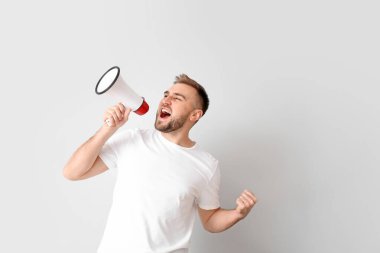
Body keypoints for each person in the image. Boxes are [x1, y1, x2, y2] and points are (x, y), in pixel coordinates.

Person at [63, 74, 257, 253]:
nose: (166, 100)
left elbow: (210, 219)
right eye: (166, 94)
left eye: (177, 98)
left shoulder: (207, 165)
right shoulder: (133, 139)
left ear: (195, 115)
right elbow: (72, 172)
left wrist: (237, 214)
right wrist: (107, 129)